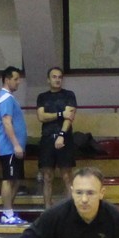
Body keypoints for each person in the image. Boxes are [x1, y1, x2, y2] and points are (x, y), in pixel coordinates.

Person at [36, 67, 78, 204]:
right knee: (47, 177)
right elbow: (41, 117)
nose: (57, 79)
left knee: (67, 176)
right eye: (54, 77)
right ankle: (47, 210)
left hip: (64, 138)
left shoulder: (69, 95)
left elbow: (69, 117)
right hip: (47, 138)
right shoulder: (42, 97)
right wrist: (60, 114)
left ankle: (70, 209)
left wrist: (61, 135)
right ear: (48, 80)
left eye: (60, 77)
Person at [0, 65, 28, 226]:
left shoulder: (9, 98)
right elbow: (7, 122)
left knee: (16, 180)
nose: (18, 82)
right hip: (9, 148)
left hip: (14, 148)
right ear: (7, 80)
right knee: (8, 179)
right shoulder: (6, 98)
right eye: (15, 79)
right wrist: (15, 144)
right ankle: (7, 214)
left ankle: (9, 212)